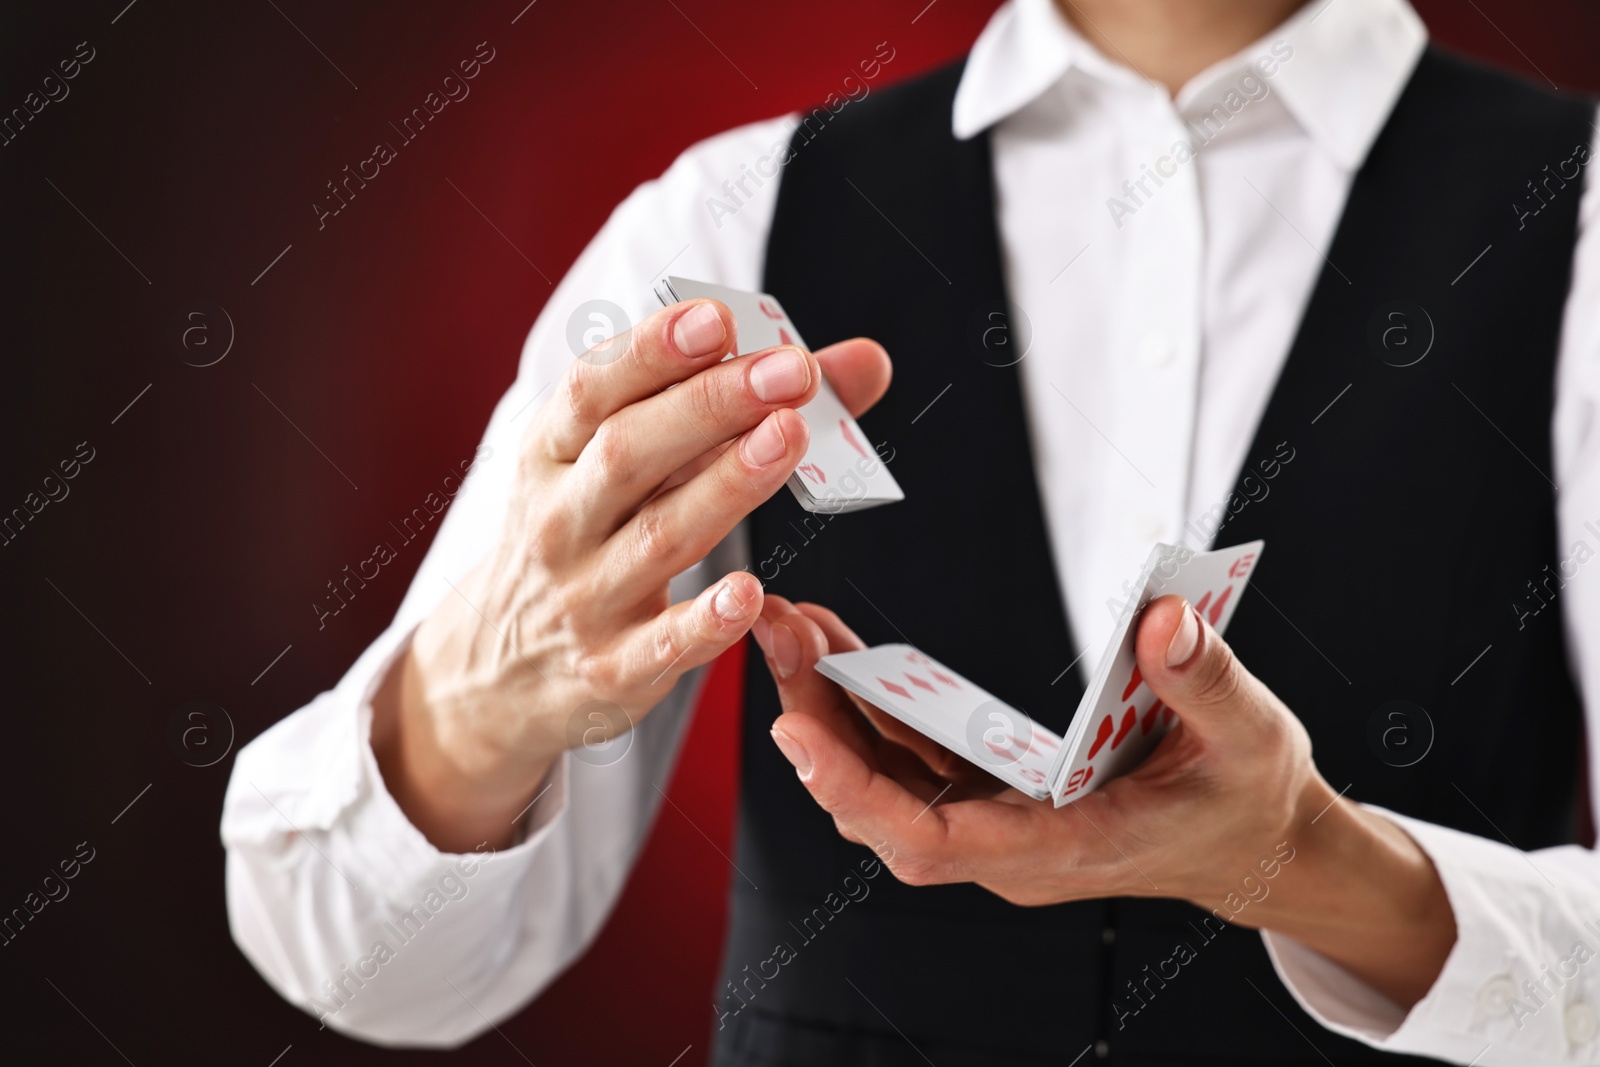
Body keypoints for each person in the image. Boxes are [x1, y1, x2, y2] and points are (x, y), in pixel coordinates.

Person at [221, 0, 1600, 1063]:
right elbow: (363, 966)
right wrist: (466, 719)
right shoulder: (726, 226)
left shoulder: (1580, 220)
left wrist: (1314, 866)